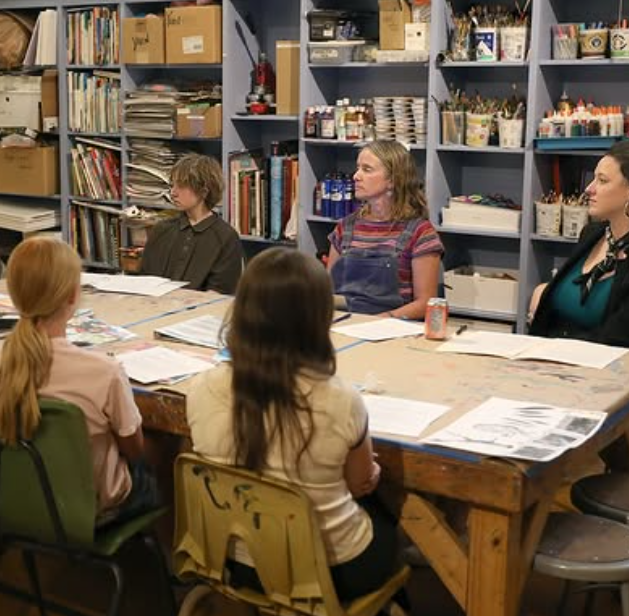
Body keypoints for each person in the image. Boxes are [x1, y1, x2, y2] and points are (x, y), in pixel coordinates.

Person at [186, 247, 400, 601]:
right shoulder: (340, 399)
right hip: (326, 571)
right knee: (391, 517)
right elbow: (360, 483)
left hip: (237, 560)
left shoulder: (202, 386)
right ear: (319, 318)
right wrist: (372, 473)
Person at [0, 237, 159, 523]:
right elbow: (134, 450)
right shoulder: (104, 372)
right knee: (161, 451)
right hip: (88, 508)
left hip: (16, 497)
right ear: (73, 296)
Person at [529, 140, 629, 350]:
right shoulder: (592, 234)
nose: (589, 189)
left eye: (602, 181)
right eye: (593, 179)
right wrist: (545, 294)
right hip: (548, 357)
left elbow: (623, 339)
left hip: (604, 365)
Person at [327, 140, 443, 318]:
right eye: (357, 168)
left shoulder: (420, 233)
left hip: (391, 327)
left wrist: (378, 321)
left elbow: (425, 303)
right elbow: (327, 290)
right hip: (345, 323)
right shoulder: (345, 227)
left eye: (367, 169)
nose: (356, 176)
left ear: (393, 180)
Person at [140, 154, 243, 294]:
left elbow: (219, 293)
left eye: (181, 186)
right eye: (172, 185)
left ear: (204, 191)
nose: (173, 193)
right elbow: (145, 279)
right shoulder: (161, 230)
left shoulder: (226, 237)